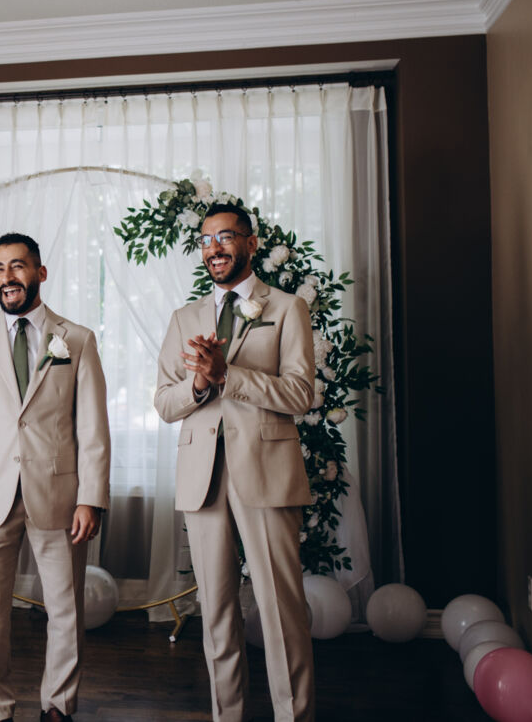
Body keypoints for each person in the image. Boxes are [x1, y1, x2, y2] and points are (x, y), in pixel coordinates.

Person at [155, 203, 316, 722]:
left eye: (225, 237)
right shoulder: (185, 318)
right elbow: (164, 404)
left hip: (266, 473)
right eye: (206, 240)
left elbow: (300, 394)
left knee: (280, 610)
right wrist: (200, 383)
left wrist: (229, 375)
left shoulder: (287, 308)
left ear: (251, 242)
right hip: (202, 478)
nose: (214, 248)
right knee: (217, 613)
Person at [0, 233, 111, 722]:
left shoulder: (77, 339)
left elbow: (92, 428)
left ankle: (58, 704)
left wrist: (91, 498)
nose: (7, 277)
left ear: (40, 272)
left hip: (58, 494)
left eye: (17, 266)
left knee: (66, 608)